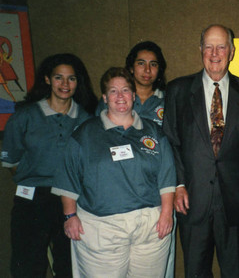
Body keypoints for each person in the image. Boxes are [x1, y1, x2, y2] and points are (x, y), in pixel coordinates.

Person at [52, 67, 176, 277]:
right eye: (113, 91)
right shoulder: (85, 133)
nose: (120, 96)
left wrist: (166, 214)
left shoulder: (153, 132)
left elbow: (167, 176)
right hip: (101, 228)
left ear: (133, 96)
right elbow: (68, 176)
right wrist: (70, 215)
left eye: (126, 90)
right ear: (105, 97)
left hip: (149, 226)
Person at [162, 24, 239, 277]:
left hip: (235, 200)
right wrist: (179, 184)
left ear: (231, 51)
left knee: (235, 269)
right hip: (192, 198)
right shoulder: (178, 91)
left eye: (221, 46)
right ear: (200, 50)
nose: (214, 53)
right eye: (208, 46)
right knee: (195, 270)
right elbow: (170, 142)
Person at [1, 53, 97, 277]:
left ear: (78, 82)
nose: (65, 84)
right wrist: (35, 179)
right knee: (27, 265)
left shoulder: (86, 121)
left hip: (71, 202)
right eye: (58, 78)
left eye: (71, 79)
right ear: (47, 79)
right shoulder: (24, 116)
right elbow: (12, 162)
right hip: (31, 200)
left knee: (68, 266)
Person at [95, 41, 167, 126]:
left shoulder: (167, 100)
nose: (147, 70)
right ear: (131, 68)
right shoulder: (114, 97)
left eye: (153, 64)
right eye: (141, 63)